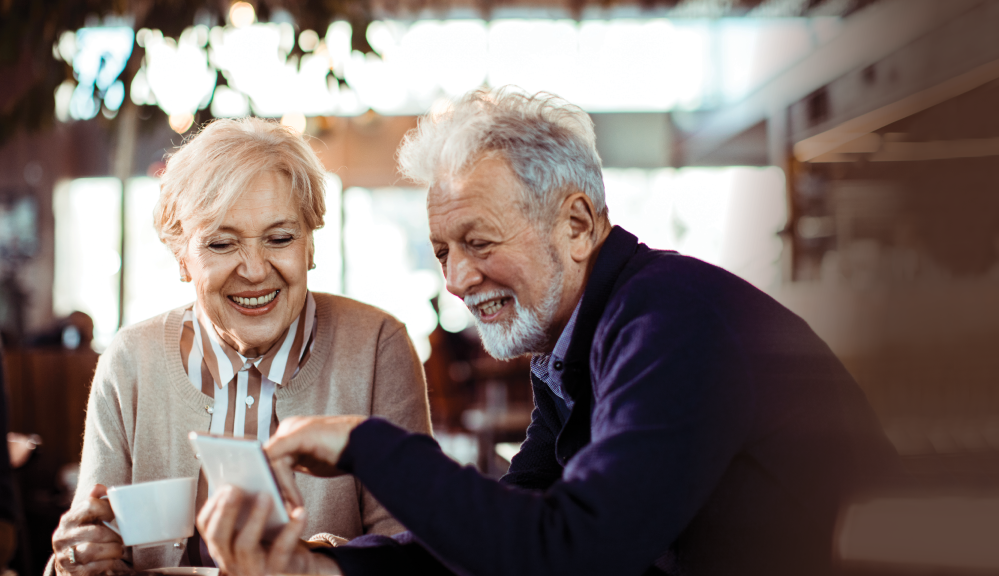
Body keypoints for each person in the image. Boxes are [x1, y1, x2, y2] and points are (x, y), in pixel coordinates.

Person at [199, 89, 904, 576]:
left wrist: (365, 444)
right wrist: (318, 565)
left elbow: (569, 556)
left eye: (478, 242)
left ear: (576, 225)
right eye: (444, 250)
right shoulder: (574, 346)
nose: (457, 280)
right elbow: (499, 533)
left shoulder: (674, 323)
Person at [48, 118, 432, 576]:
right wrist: (77, 559)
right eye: (221, 243)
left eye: (280, 238)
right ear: (182, 258)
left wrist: (313, 563)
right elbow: (91, 545)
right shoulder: (130, 360)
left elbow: (415, 554)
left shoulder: (376, 348)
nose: (253, 270)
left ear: (310, 244)